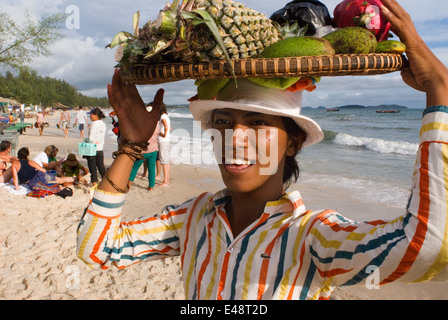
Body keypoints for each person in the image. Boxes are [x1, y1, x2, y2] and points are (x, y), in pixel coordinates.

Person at [77, 0, 448, 300]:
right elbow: (97, 249)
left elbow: (426, 249)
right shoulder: (191, 220)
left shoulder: (312, 237)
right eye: (222, 121)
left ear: (293, 142)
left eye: (257, 123)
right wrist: (132, 147)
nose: (236, 137)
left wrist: (439, 92)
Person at [11, 147, 75, 191]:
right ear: (27, 155)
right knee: (60, 180)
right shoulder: (30, 162)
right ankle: (76, 178)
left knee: (48, 186)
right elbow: (43, 170)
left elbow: (15, 178)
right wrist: (49, 172)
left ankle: (72, 180)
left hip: (31, 183)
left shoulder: (14, 164)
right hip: (38, 175)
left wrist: (17, 188)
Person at [129, 121, 160, 191]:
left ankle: (129, 185)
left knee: (134, 168)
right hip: (154, 149)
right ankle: (151, 187)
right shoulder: (157, 125)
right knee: (151, 169)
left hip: (143, 151)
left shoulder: (143, 125)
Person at [85, 108, 107, 186]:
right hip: (100, 148)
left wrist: (86, 141)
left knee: (93, 168)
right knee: (101, 167)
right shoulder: (103, 124)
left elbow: (91, 138)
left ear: (95, 115)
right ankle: (105, 183)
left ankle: (94, 184)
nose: (90, 116)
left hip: (92, 149)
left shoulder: (94, 124)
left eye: (91, 114)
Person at [155, 102, 171, 187]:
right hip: (167, 140)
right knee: (166, 161)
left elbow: (166, 126)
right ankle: (166, 180)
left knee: (164, 161)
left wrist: (163, 134)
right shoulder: (166, 116)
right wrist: (166, 133)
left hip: (163, 141)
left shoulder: (162, 117)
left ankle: (165, 182)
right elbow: (169, 127)